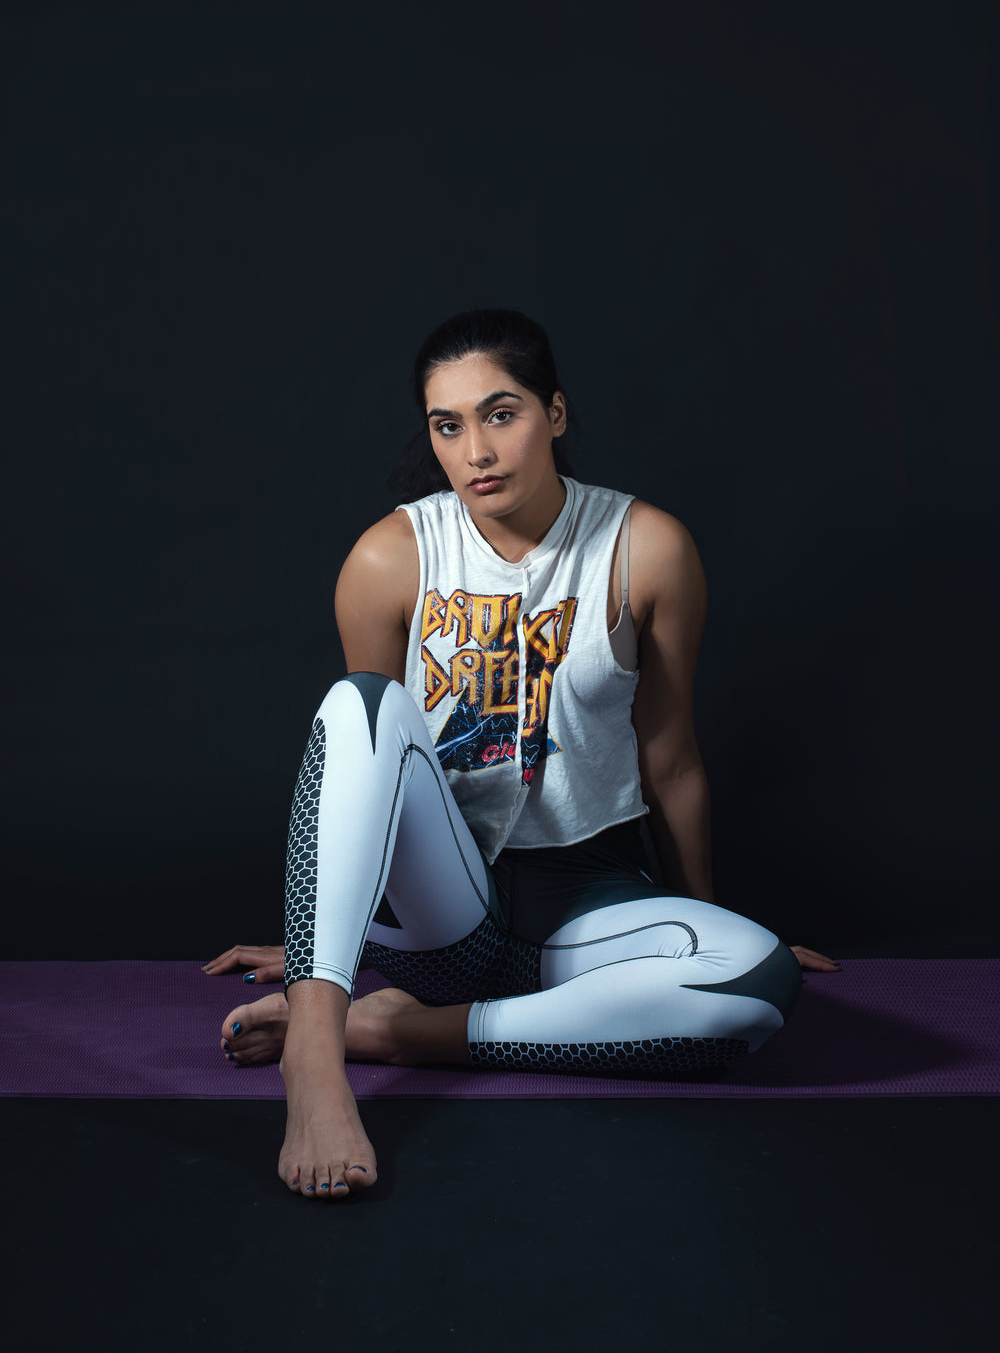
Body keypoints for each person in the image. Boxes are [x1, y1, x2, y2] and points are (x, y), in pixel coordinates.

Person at [203, 308, 838, 1199]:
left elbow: (672, 755)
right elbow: (366, 766)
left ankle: (391, 1033)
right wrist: (322, 941)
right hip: (439, 913)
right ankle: (316, 1056)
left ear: (557, 414)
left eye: (502, 414)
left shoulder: (644, 549)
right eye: (448, 425)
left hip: (584, 900)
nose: (476, 451)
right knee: (360, 702)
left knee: (754, 980)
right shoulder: (393, 557)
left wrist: (706, 921)